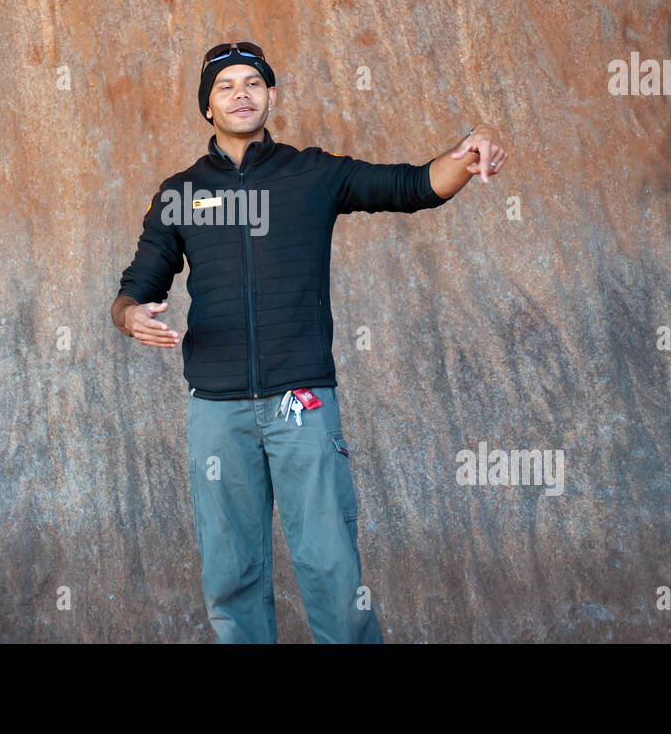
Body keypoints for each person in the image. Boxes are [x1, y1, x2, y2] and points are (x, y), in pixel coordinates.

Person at [110, 41, 507, 643]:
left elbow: (414, 186)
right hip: (216, 410)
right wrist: (131, 314)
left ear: (270, 96)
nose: (241, 93)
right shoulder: (180, 192)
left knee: (332, 569)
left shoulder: (312, 172)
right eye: (226, 86)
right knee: (231, 574)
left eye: (253, 83)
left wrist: (471, 143)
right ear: (207, 107)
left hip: (302, 403)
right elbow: (136, 286)